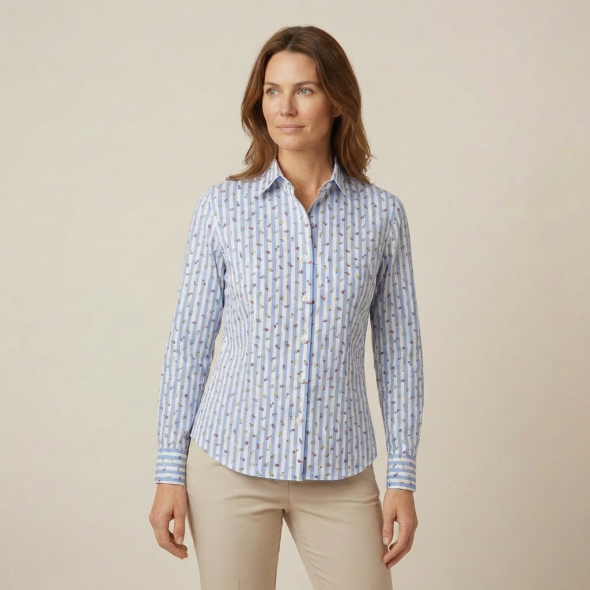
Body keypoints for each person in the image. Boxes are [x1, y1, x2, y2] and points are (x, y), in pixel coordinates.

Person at [149, 25, 424, 590]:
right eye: (272, 91)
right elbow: (189, 343)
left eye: (305, 90)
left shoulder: (381, 217)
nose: (285, 108)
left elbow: (400, 355)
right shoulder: (222, 209)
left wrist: (402, 477)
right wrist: (168, 470)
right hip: (230, 465)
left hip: (339, 469)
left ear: (337, 102)